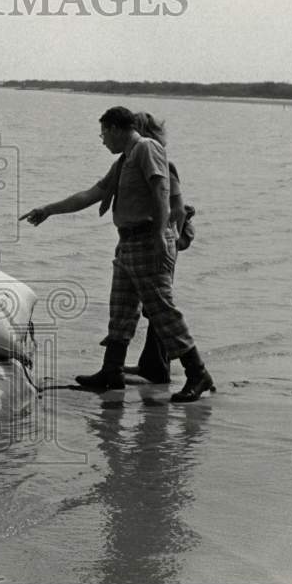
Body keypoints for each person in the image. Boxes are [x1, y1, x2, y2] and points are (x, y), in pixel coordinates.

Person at [19, 106, 214, 403]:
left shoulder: (147, 149)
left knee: (162, 311)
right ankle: (111, 371)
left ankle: (197, 374)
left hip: (148, 240)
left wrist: (161, 234)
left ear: (115, 128)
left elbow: (162, 192)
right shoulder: (125, 160)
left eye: (103, 133)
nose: (102, 141)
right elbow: (91, 194)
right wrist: (48, 210)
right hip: (128, 243)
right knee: (121, 310)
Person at [97, 112, 194, 384]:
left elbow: (175, 206)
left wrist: (163, 240)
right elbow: (98, 191)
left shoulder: (156, 158)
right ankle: (141, 367)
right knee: (134, 307)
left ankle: (167, 368)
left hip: (156, 240)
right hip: (137, 241)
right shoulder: (127, 161)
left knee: (158, 308)